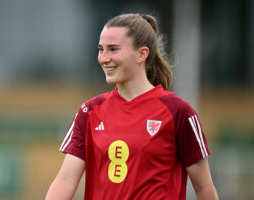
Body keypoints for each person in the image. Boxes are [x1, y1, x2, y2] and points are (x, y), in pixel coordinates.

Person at [45, 13, 218, 200]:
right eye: (101, 49)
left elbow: (204, 188)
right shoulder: (89, 111)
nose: (104, 58)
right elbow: (65, 181)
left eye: (113, 49)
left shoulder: (178, 112)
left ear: (142, 54)